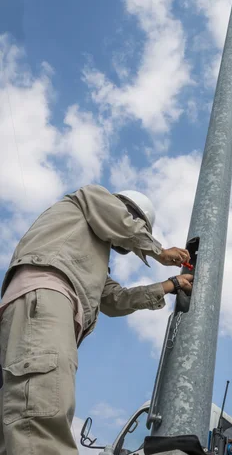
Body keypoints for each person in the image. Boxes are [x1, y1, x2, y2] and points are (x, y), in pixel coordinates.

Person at [0, 184, 193, 455]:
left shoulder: (86, 257)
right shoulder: (92, 197)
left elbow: (116, 300)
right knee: (41, 414)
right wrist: (158, 251)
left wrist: (170, 284)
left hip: (34, 312)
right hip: (45, 302)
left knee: (17, 427)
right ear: (128, 213)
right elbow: (119, 221)